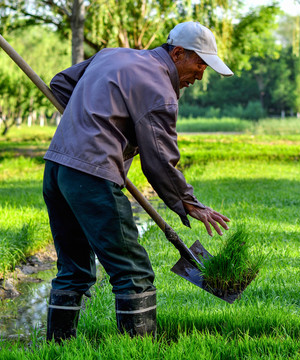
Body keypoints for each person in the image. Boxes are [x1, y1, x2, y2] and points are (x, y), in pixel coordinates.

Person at [42, 21, 233, 342]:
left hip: (57, 168)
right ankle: (137, 349)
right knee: (134, 272)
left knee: (73, 269)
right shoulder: (160, 91)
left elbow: (60, 84)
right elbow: (159, 158)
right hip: (93, 175)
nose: (200, 75)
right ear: (177, 53)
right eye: (200, 64)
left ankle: (57, 347)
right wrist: (188, 202)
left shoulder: (111, 56)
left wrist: (92, 118)